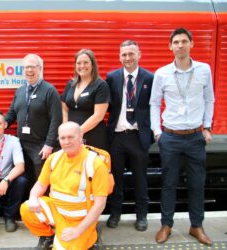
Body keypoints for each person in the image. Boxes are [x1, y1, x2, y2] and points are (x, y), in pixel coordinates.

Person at [150, 28, 215, 246]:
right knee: (169, 183)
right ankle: (166, 225)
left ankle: (196, 226)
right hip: (170, 137)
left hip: (196, 137)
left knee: (197, 183)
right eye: (176, 42)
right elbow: (154, 103)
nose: (180, 45)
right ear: (170, 46)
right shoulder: (162, 73)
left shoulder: (204, 70)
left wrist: (207, 127)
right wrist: (157, 132)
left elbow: (209, 99)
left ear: (191, 44)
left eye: (184, 41)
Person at [20, 122, 110, 250]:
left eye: (70, 137)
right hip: (57, 211)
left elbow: (100, 204)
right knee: (27, 208)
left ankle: (89, 232)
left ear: (80, 137)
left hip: (78, 219)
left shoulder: (95, 164)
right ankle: (48, 236)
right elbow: (40, 184)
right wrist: (33, 197)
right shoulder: (54, 158)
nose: (66, 141)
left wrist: (78, 230)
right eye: (62, 138)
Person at [105, 40, 154, 231]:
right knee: (116, 179)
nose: (128, 58)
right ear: (120, 57)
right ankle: (115, 213)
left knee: (140, 179)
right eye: (124, 54)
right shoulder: (112, 77)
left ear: (139, 55)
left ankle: (141, 215)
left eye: (131, 54)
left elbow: (154, 105)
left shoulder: (150, 78)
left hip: (138, 136)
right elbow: (107, 106)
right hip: (117, 137)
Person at [5, 53, 62, 186]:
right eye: (26, 67)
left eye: (33, 67)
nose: (29, 70)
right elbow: (11, 114)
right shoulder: (20, 91)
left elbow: (56, 119)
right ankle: (27, 206)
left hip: (41, 147)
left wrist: (49, 144)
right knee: (25, 180)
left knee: (41, 182)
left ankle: (42, 206)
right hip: (22, 145)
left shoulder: (49, 90)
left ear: (40, 68)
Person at [61, 49, 110, 150]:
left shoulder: (101, 85)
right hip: (71, 138)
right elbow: (64, 107)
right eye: (78, 63)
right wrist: (66, 128)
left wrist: (78, 132)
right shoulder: (70, 84)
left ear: (92, 65)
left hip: (93, 137)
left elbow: (98, 116)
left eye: (86, 62)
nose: (82, 66)